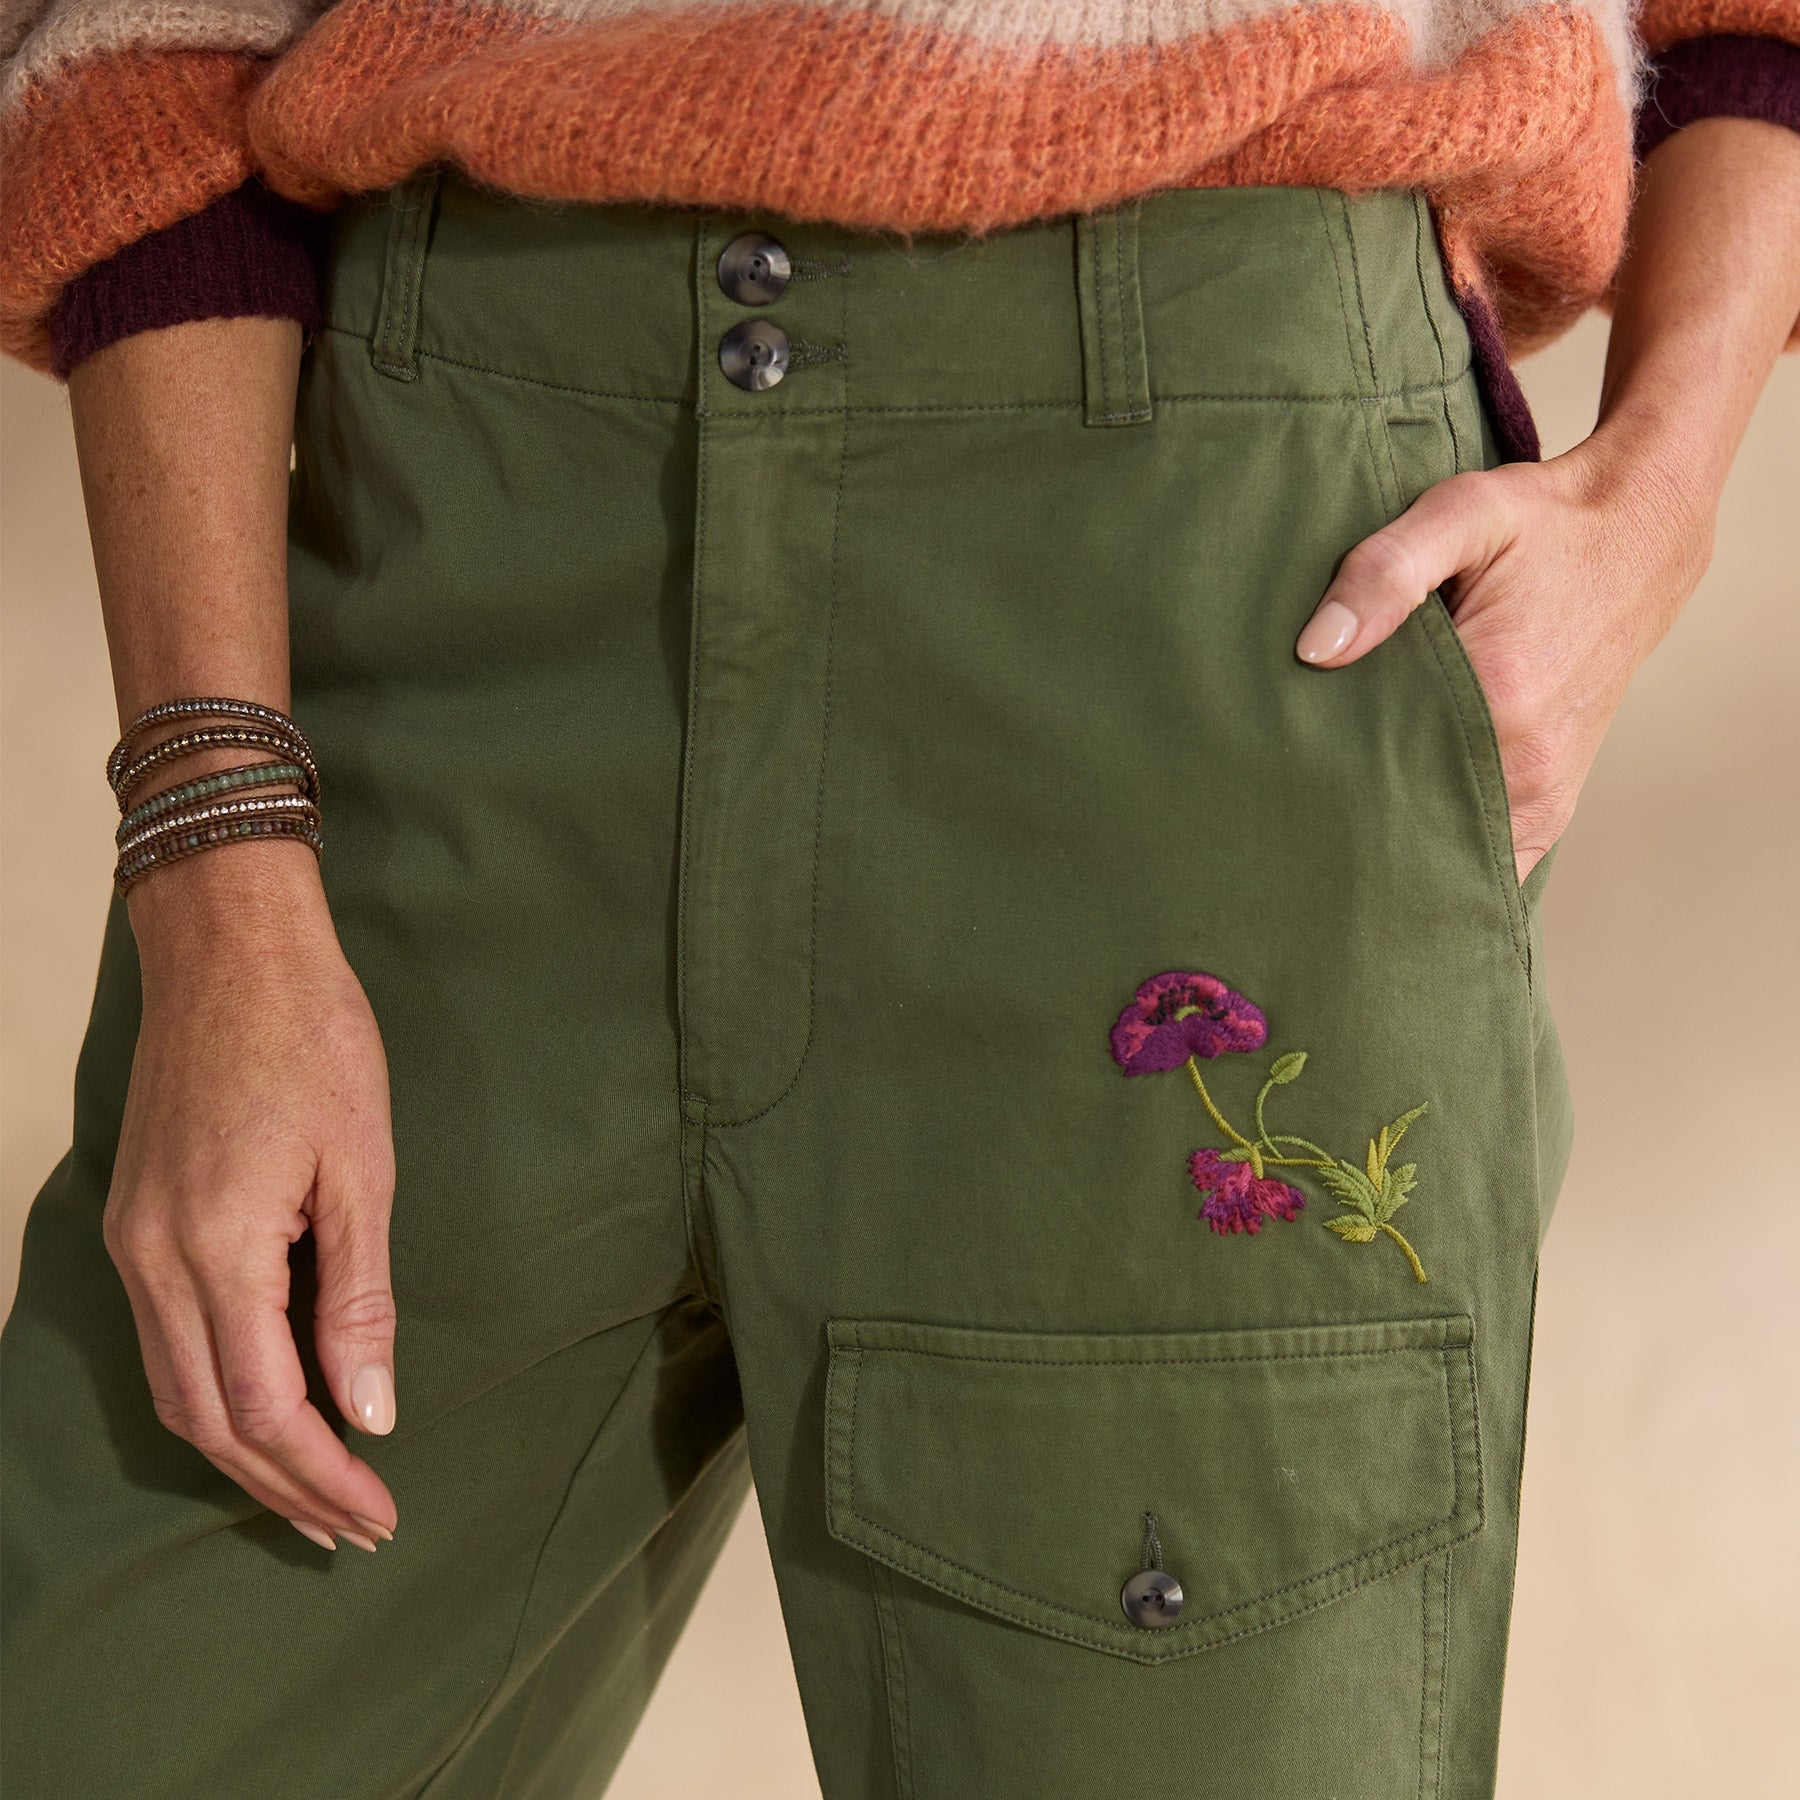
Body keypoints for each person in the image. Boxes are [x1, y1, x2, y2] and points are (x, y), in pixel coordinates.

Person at [1, 3, 1796, 1795]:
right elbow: (141, 47)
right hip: (448, 597)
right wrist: (213, 845)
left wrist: (1657, 500)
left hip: (1207, 618)